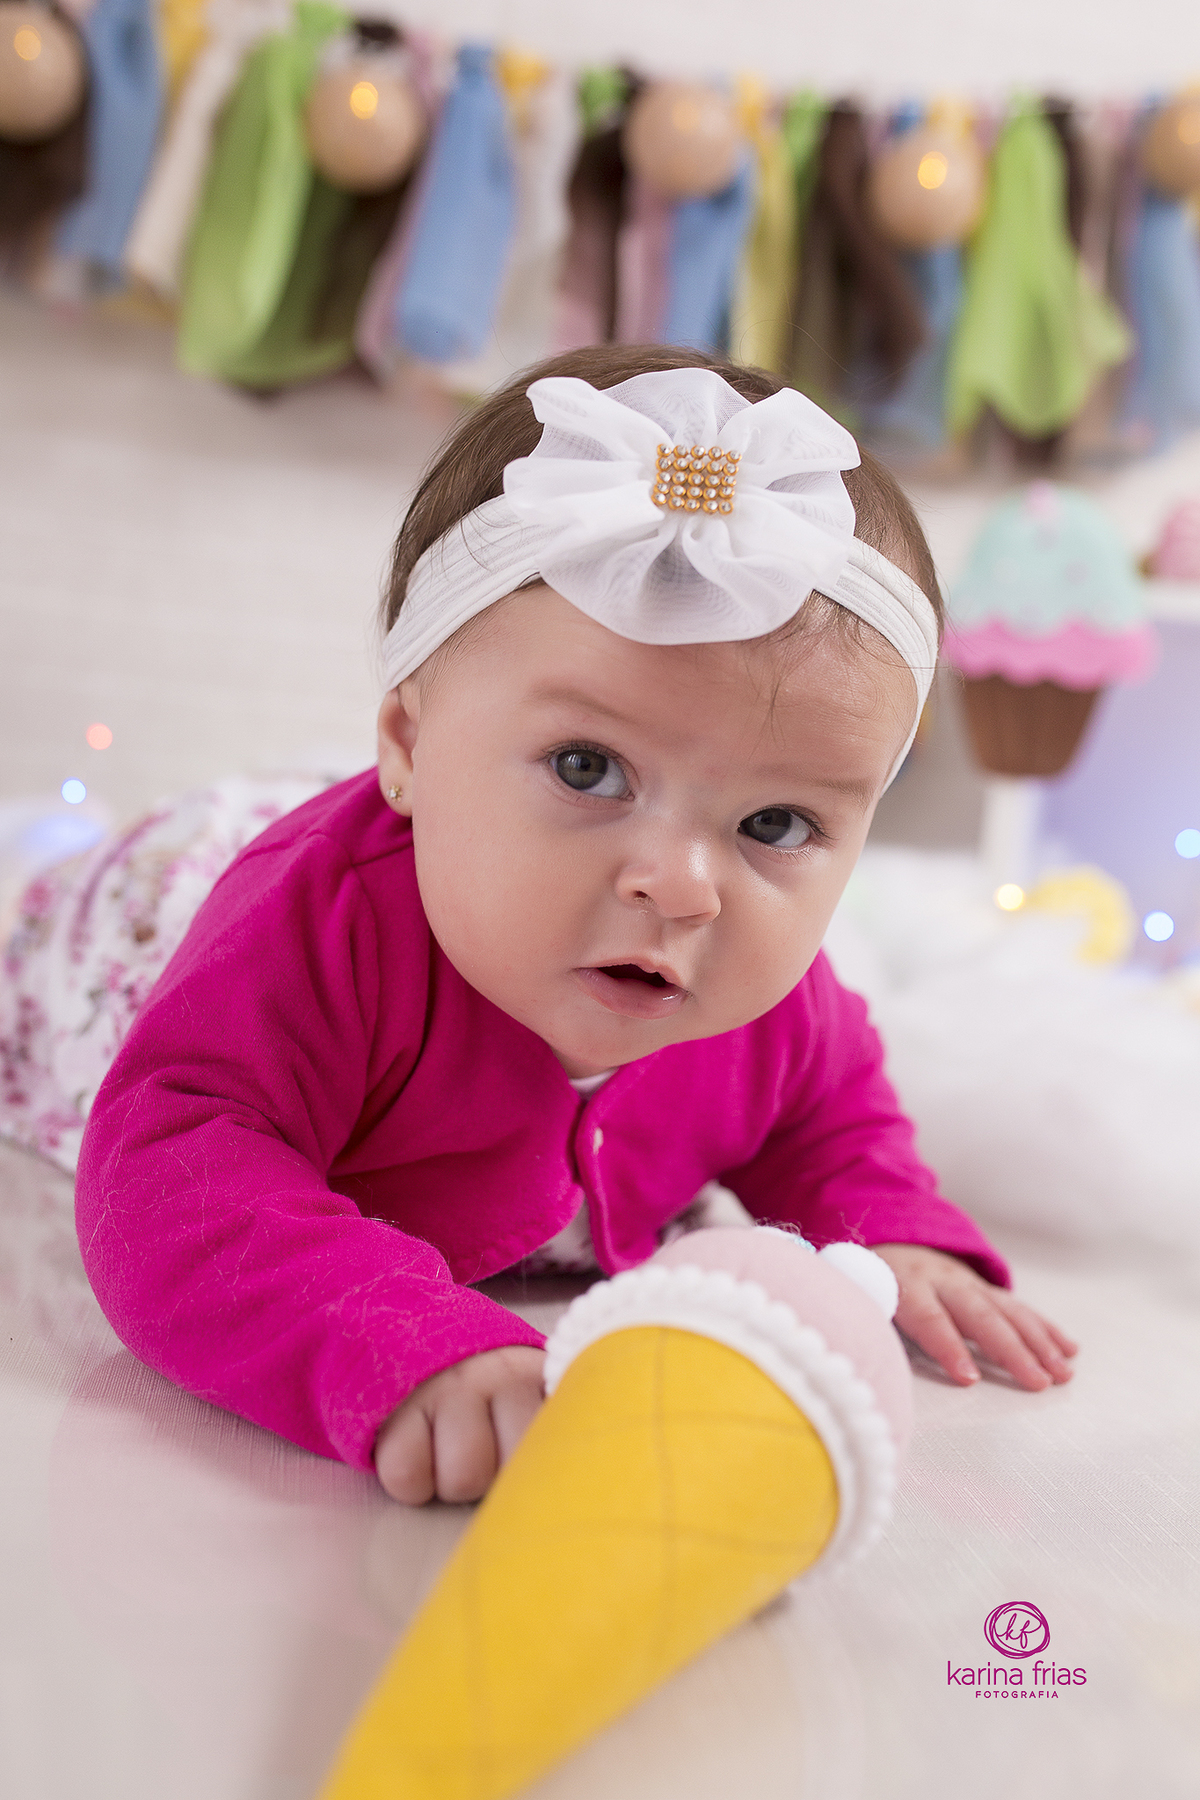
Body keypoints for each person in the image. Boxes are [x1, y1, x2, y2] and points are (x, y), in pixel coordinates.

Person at [73, 344, 1077, 1507]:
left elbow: (831, 1121)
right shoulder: (324, 933)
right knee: (148, 888)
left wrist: (890, 1231)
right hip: (161, 916)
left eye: (777, 821)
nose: (683, 884)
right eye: (589, 767)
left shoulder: (769, 1001)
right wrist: (391, 1332)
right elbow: (174, 1173)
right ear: (404, 741)